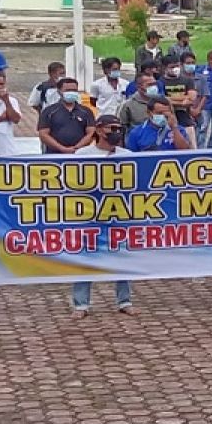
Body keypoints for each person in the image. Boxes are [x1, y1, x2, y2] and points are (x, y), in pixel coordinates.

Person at [71, 116, 135, 319]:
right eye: (112, 128)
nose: (116, 132)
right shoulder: (82, 154)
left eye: (119, 128)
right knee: (84, 260)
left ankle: (124, 301)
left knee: (122, 258)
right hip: (89, 215)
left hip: (118, 214)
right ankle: (81, 304)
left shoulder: (128, 155)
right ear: (99, 130)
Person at [37, 78, 96, 154]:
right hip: (54, 155)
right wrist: (62, 149)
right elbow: (43, 134)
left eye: (74, 90)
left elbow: (91, 133)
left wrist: (76, 148)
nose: (71, 92)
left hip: (80, 155)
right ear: (59, 91)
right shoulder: (48, 111)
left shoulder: (86, 111)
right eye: (68, 90)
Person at [126, 97, 191, 152]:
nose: (164, 115)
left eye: (166, 113)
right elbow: (131, 157)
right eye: (159, 113)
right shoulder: (136, 133)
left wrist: (174, 128)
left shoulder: (179, 130)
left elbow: (185, 152)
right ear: (149, 113)